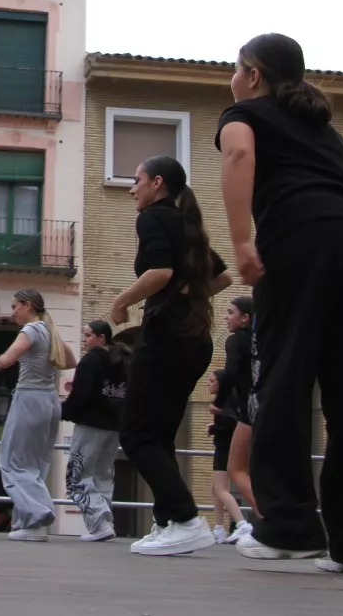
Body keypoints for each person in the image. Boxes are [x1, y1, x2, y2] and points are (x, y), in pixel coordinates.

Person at [216, 34, 343, 575]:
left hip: (301, 235)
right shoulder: (321, 127)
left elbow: (239, 152)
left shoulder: (244, 111)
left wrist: (243, 240)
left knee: (284, 375)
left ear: (251, 74)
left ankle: (290, 527)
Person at [110, 154, 232, 557]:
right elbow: (223, 276)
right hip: (192, 340)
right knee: (158, 434)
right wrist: (188, 298)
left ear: (157, 183)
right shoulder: (186, 222)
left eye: (137, 180)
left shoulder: (153, 218)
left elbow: (159, 272)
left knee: (137, 434)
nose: (132, 188)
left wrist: (122, 302)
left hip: (166, 338)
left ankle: (185, 519)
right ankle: (168, 523)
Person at [0, 289, 76, 542]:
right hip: (50, 400)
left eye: (15, 305)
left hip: (30, 398)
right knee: (35, 464)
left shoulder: (30, 330)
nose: (12, 311)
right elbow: (70, 361)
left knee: (11, 461)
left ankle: (38, 513)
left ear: (28, 305)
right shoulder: (51, 331)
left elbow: (9, 358)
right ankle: (28, 525)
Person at [62, 319, 130, 542]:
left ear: (102, 338)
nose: (85, 340)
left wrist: (64, 410)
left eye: (89, 335)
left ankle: (99, 521)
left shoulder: (91, 360)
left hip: (90, 424)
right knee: (103, 474)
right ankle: (105, 523)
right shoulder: (124, 361)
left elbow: (82, 394)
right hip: (113, 426)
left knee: (77, 475)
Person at [221, 296, 260, 532]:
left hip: (250, 410)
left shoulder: (236, 341)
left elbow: (230, 374)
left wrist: (219, 402)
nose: (227, 317)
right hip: (267, 406)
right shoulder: (261, 341)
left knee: (235, 468)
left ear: (245, 318)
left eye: (230, 312)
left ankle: (266, 517)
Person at [206, 370, 246, 543]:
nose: (209, 383)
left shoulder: (227, 401)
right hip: (223, 447)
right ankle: (219, 528)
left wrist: (216, 417)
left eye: (212, 380)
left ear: (220, 384)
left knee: (221, 489)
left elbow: (234, 422)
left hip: (225, 448)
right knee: (216, 489)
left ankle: (242, 524)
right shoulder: (227, 400)